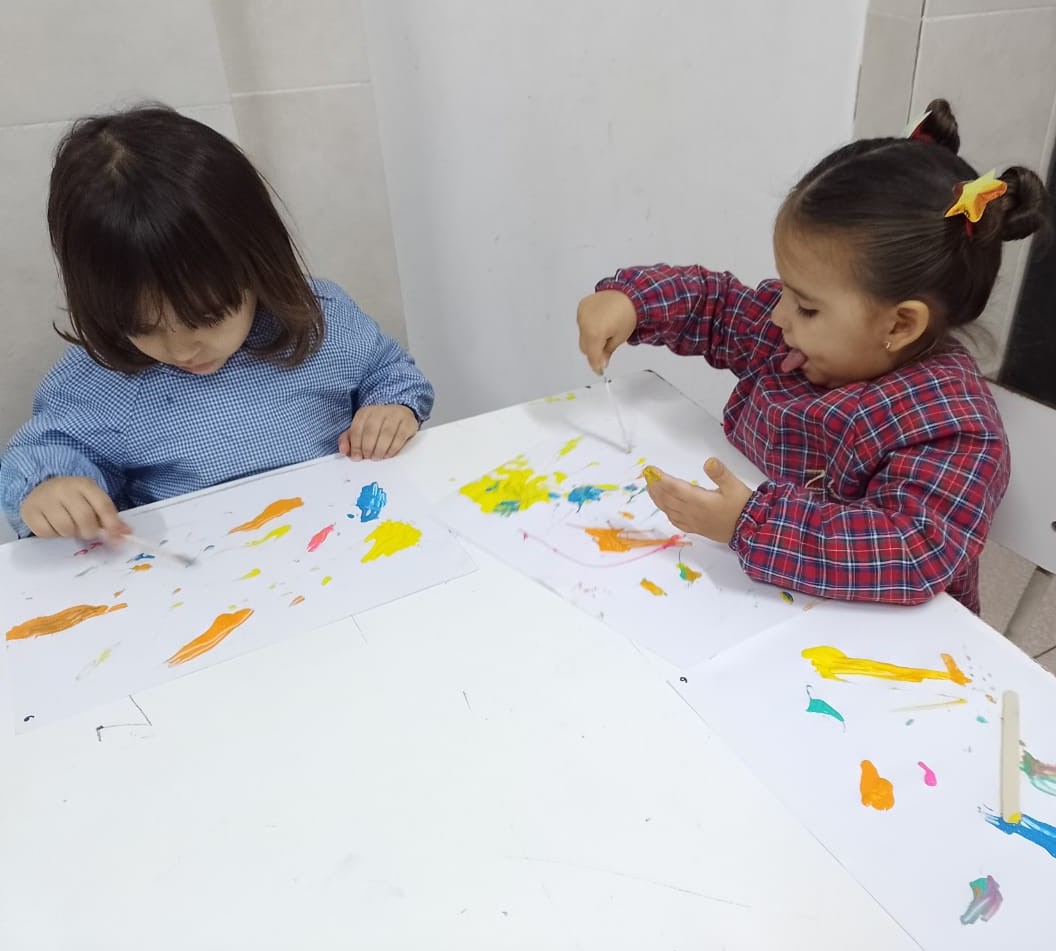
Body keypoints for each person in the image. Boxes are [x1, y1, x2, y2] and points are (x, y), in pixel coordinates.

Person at [576, 99, 1048, 613]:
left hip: (872, 635)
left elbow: (912, 550)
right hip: (753, 594)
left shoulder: (952, 428)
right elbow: (716, 307)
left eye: (805, 305)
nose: (779, 315)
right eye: (786, 290)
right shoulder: (798, 336)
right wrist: (634, 302)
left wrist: (749, 524)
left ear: (899, 324)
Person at [1, 104, 433, 541]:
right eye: (141, 327)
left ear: (258, 266)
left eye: (206, 317)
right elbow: (43, 454)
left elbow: (388, 372)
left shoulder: (320, 320)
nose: (181, 349)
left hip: (343, 534)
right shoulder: (99, 380)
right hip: (198, 565)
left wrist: (391, 409)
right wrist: (50, 490)